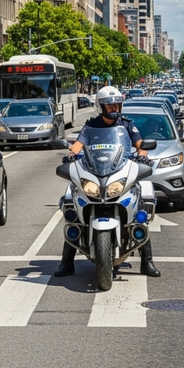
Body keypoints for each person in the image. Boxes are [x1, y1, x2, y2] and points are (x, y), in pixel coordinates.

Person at [53, 85, 161, 279]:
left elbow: (139, 143)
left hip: (119, 169)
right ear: (101, 106)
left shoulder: (127, 124)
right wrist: (71, 154)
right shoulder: (92, 125)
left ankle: (147, 262)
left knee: (140, 210)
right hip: (95, 170)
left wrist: (142, 154)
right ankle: (66, 262)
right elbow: (79, 143)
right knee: (72, 206)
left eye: (117, 105)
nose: (114, 109)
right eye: (110, 106)